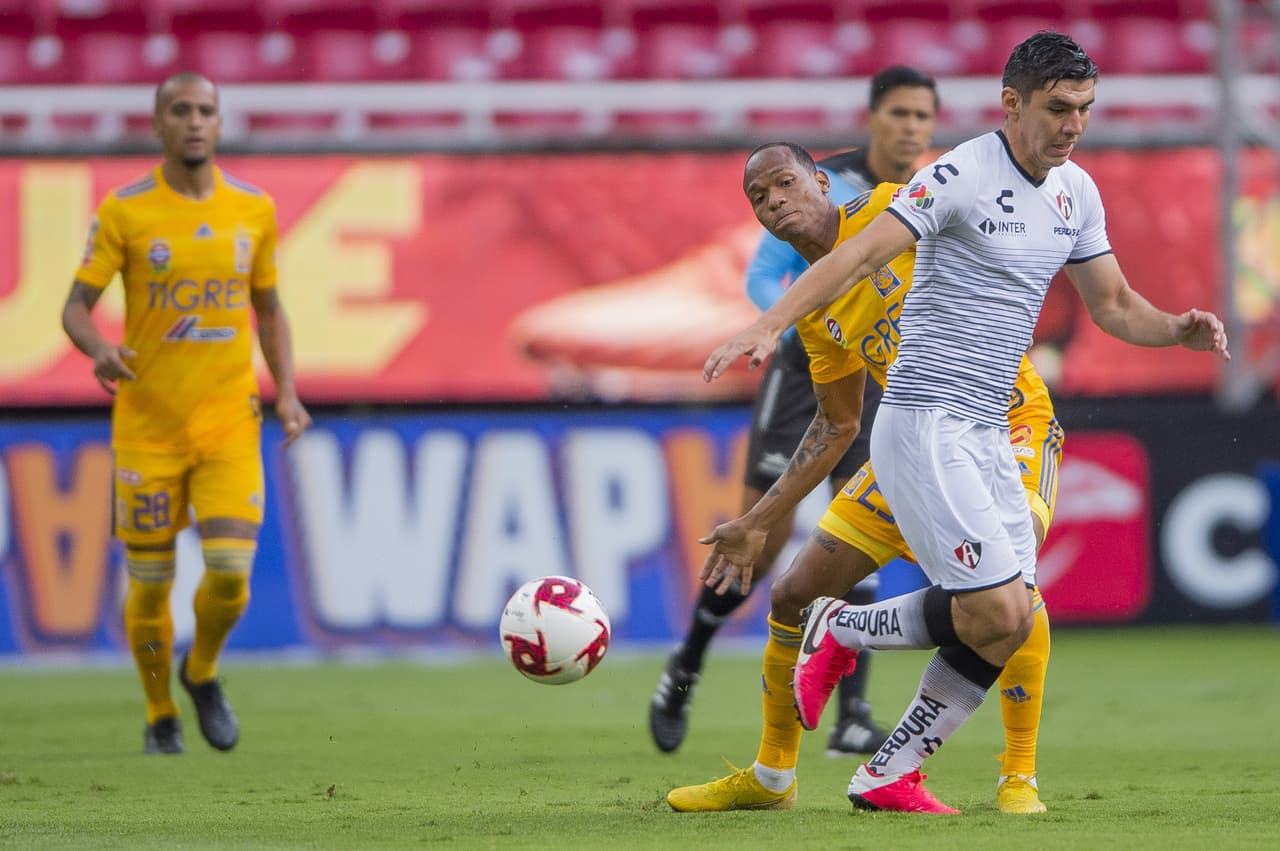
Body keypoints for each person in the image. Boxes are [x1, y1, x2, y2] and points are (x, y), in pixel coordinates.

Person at [696, 32, 1229, 814]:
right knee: (989, 606)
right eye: (1058, 109)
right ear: (1012, 105)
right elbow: (854, 261)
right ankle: (823, 692)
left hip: (1002, 424)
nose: (1074, 124)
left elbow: (1113, 306)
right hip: (927, 422)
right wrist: (770, 322)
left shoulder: (1076, 191)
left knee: (1006, 611)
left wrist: (1174, 327)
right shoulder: (955, 177)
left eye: (1084, 108)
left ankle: (898, 768)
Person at [667, 142, 1061, 814]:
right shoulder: (816, 310)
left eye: (785, 184)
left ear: (822, 181)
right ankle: (771, 778)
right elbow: (836, 427)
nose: (774, 203)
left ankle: (1017, 774)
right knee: (791, 592)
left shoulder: (888, 208)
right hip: (916, 449)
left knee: (1012, 588)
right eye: (759, 199)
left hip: (1009, 422)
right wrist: (758, 522)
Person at [650, 66, 939, 759]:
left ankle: (853, 712)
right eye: (899, 114)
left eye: (923, 117)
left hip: (882, 375)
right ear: (871, 119)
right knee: (767, 537)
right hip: (803, 363)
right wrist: (793, 328)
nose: (911, 128)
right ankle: (685, 664)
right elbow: (760, 275)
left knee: (858, 521)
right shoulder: (816, 181)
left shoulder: (927, 193)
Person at [61, 72, 311, 755]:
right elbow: (74, 307)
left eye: (206, 110)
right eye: (181, 110)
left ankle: (200, 670)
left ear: (220, 124)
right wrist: (101, 350)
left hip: (231, 420)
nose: (195, 121)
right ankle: (160, 712)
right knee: (152, 581)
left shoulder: (252, 209)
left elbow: (267, 307)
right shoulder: (125, 211)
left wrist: (286, 389)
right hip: (148, 427)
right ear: (157, 125)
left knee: (230, 575)